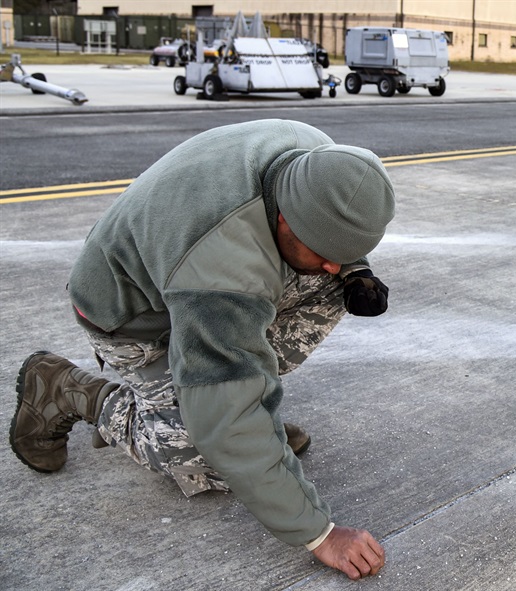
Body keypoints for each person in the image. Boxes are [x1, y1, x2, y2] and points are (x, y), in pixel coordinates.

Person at [9, 119, 396, 580]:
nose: (333, 263)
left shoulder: (318, 161)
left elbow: (335, 226)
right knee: (205, 446)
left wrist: (354, 269)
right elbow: (224, 418)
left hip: (181, 278)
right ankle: (69, 389)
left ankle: (235, 406)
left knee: (328, 288)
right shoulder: (223, 268)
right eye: (325, 249)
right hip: (127, 316)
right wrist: (319, 533)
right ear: (287, 217)